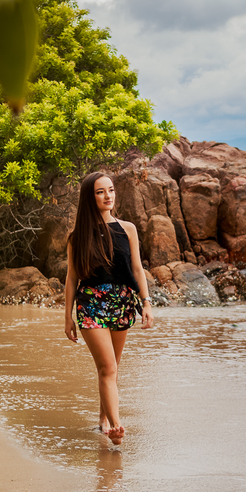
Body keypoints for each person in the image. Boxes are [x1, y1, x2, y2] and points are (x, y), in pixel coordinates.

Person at [64, 171, 154, 445]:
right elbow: (71, 278)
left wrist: (146, 302)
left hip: (122, 302)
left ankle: (103, 419)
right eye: (100, 191)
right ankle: (115, 425)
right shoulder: (77, 236)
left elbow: (137, 268)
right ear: (89, 197)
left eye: (111, 190)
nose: (108, 196)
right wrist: (67, 316)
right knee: (107, 367)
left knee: (112, 367)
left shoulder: (128, 229)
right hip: (91, 303)